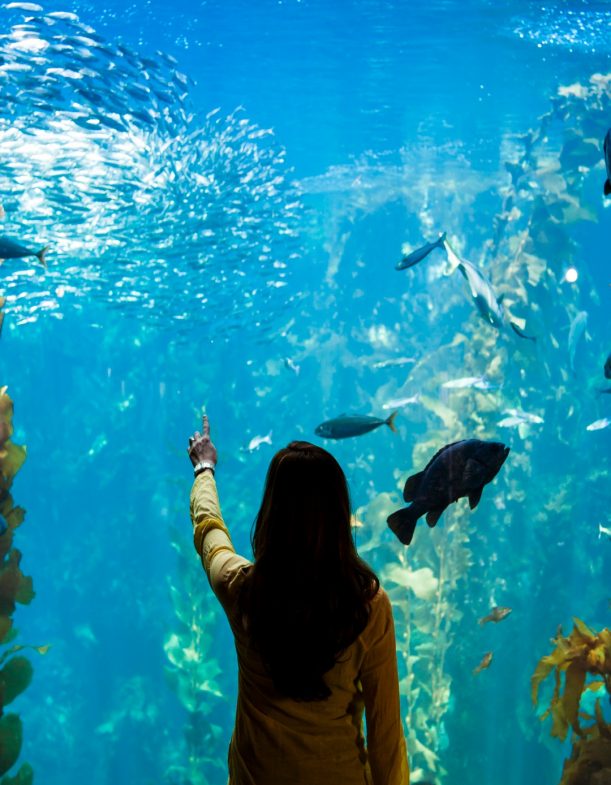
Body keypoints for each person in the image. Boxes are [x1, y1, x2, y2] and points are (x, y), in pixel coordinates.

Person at [188, 414, 409, 785]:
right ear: (339, 515)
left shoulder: (241, 589)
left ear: (271, 514)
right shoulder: (368, 608)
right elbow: (386, 737)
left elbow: (209, 531)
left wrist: (205, 469)